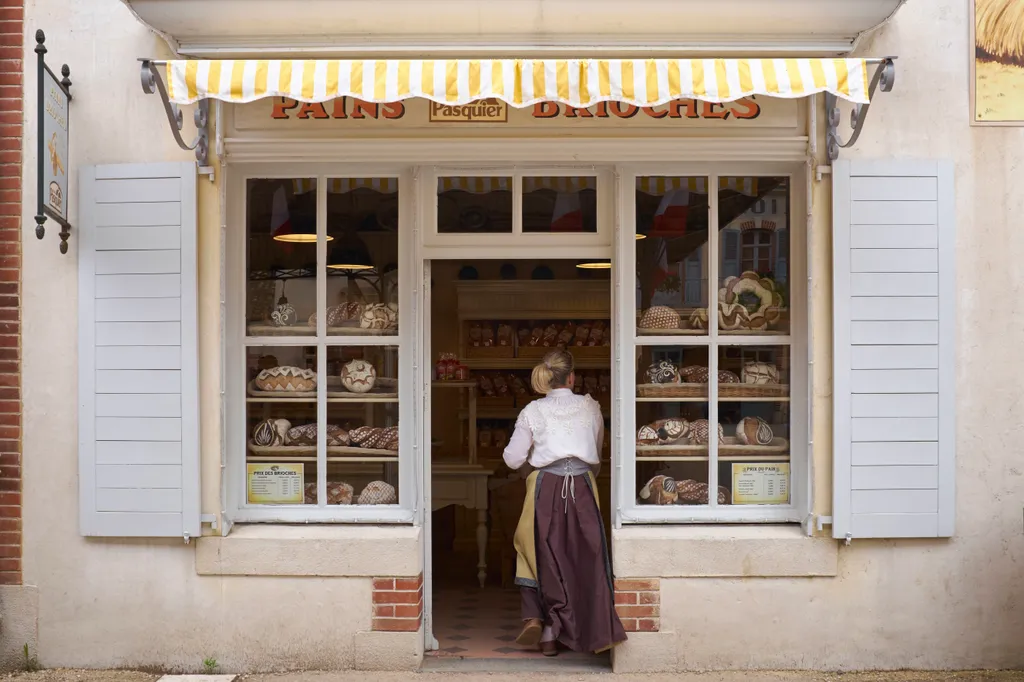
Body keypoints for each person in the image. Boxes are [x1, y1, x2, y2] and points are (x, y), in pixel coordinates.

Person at [502, 349, 627, 657]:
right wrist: (585, 474)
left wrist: (529, 471)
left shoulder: (533, 410)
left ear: (548, 376)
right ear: (572, 377)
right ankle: (585, 633)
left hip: (545, 486)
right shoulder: (590, 406)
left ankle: (543, 626)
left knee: (533, 549)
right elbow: (597, 452)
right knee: (583, 556)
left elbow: (512, 457)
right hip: (583, 486)